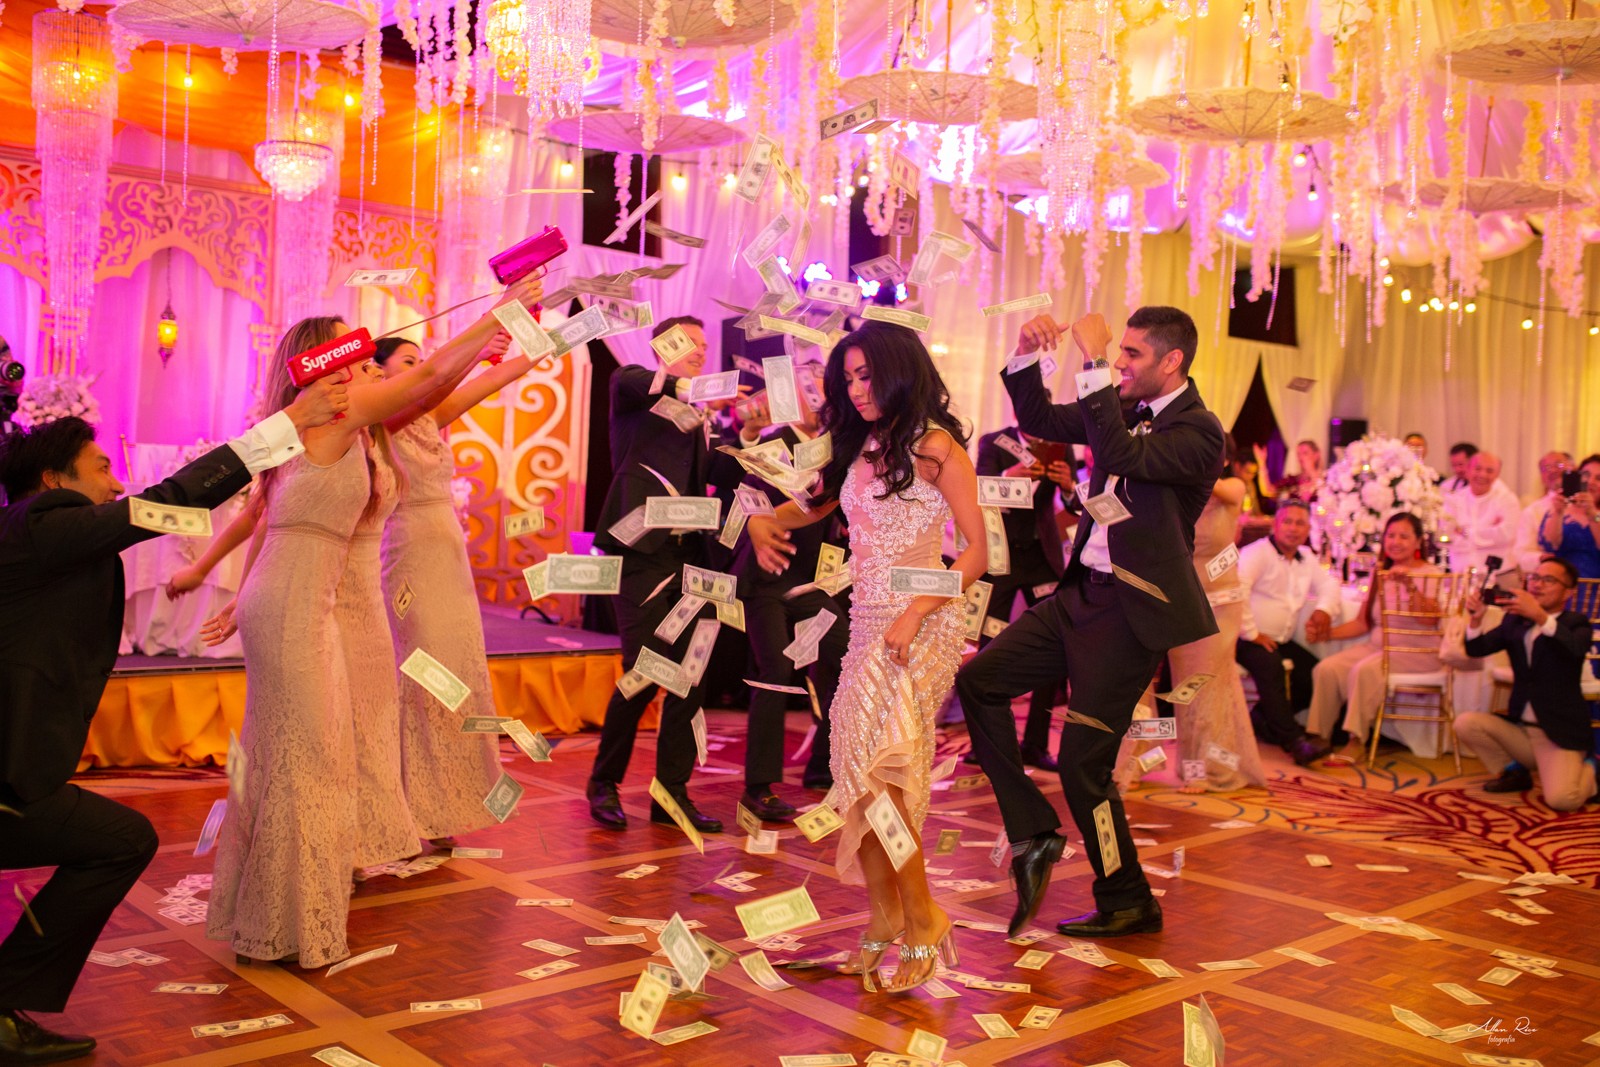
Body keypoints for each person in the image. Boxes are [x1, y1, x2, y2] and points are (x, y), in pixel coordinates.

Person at [0, 381, 347, 1061]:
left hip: (18, 776)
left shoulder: (35, 539)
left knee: (121, 837)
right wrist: (286, 425)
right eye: (101, 467)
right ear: (52, 480)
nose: (115, 483)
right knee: (121, 840)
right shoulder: (40, 527)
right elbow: (170, 502)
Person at [204, 284, 537, 968]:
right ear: (320, 362)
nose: (361, 356)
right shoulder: (333, 410)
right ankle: (282, 922)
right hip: (292, 602)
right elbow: (432, 372)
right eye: (348, 346)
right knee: (307, 761)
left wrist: (500, 334)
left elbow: (433, 385)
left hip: (306, 598)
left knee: (306, 757)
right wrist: (498, 311)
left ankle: (279, 914)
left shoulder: (339, 420)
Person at [954, 307, 1224, 940]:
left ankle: (1127, 898)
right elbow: (1041, 420)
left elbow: (1121, 452)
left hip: (1130, 614)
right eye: (1119, 352)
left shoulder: (1200, 430)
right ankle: (1033, 831)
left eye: (1133, 354)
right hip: (1077, 596)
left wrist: (1097, 362)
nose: (1122, 363)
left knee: (1082, 768)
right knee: (980, 682)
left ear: (1172, 361)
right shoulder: (1122, 405)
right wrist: (1026, 355)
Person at [748, 322, 987, 991]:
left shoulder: (937, 447)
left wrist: (916, 611)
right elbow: (804, 509)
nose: (855, 390)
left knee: (887, 775)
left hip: (923, 623)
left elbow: (976, 553)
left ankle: (924, 916)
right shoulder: (857, 447)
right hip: (867, 625)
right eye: (847, 378)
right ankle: (888, 914)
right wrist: (759, 519)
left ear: (899, 371)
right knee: (859, 774)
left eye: (866, 375)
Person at [586, 316, 770, 834]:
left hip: (691, 559)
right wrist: (700, 390)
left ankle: (671, 793)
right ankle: (604, 782)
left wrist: (748, 434)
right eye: (690, 342)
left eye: (705, 345)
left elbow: (718, 474)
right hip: (641, 554)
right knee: (644, 671)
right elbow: (636, 381)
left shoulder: (698, 415)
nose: (701, 351)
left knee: (691, 674)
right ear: (664, 345)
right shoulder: (632, 387)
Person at [374, 332, 534, 844]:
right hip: (408, 554)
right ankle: (406, 807)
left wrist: (541, 342)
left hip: (449, 559)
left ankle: (444, 807)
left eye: (421, 361)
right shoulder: (382, 420)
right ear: (380, 372)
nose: (422, 367)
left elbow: (491, 379)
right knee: (420, 673)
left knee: (456, 673)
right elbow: (441, 378)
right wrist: (479, 343)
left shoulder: (429, 418)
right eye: (409, 361)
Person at [729, 388, 848, 798]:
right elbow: (745, 498)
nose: (821, 402)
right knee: (776, 674)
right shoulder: (774, 444)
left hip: (809, 585)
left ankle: (823, 765)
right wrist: (757, 525)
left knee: (846, 657)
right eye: (810, 394)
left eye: (824, 392)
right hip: (766, 579)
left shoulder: (835, 450)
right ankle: (759, 787)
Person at [1454, 556, 1598, 809]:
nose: (1538, 584)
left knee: (1563, 800)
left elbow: (1574, 649)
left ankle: (1593, 770)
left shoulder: (1576, 623)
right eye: (1535, 577)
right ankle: (1515, 772)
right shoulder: (1515, 621)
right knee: (1466, 723)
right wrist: (1475, 620)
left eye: (1548, 580)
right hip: (1521, 730)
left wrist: (1540, 616)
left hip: (1558, 733)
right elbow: (1476, 649)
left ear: (1569, 592)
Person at [1306, 511, 1445, 763]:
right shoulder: (1380, 573)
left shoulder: (1430, 573)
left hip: (1417, 652)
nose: (1395, 542)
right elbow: (1362, 623)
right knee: (1327, 668)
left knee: (1364, 670)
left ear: (1418, 542)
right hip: (1379, 648)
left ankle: (1356, 740)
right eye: (1391, 535)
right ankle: (1318, 737)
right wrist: (1327, 634)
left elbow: (1430, 619)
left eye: (1404, 536)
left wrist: (1409, 585)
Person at [971, 423, 1071, 769]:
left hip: (1042, 559)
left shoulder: (1061, 443)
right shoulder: (994, 442)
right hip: (999, 558)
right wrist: (1009, 477)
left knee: (1054, 644)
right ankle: (987, 745)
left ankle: (1035, 744)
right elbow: (978, 492)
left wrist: (1068, 486)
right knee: (988, 646)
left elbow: (1073, 505)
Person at [1234, 500, 1340, 766]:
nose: (1293, 528)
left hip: (1280, 639)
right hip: (1245, 639)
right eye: (1288, 522)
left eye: (1300, 523)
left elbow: (1329, 585)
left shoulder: (1306, 557)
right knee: (1273, 670)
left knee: (1314, 675)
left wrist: (1324, 610)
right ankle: (1295, 743)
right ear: (1276, 524)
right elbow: (1238, 591)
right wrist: (1251, 633)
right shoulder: (1256, 553)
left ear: (1308, 529)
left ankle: (1263, 719)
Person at [1442, 452, 1519, 577]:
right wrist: (1489, 531)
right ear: (1468, 470)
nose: (1482, 475)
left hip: (1500, 575)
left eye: (1489, 471)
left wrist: (1465, 532)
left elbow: (1506, 535)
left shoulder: (1507, 500)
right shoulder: (1453, 500)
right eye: (1477, 469)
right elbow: (1446, 537)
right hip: (1460, 576)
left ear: (1497, 475)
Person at [1535, 455, 1600, 581]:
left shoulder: (1597, 516)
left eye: (1598, 478)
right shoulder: (1558, 510)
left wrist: (1592, 514)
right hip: (1560, 585)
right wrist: (1558, 513)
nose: (1590, 481)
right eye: (1586, 475)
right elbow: (1551, 545)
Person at [1512, 451, 1575, 574]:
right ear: (1542, 477)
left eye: (1559, 465)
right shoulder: (1532, 511)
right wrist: (1541, 558)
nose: (1553, 471)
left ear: (1572, 468)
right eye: (1547, 468)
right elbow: (1521, 553)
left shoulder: (1589, 503)